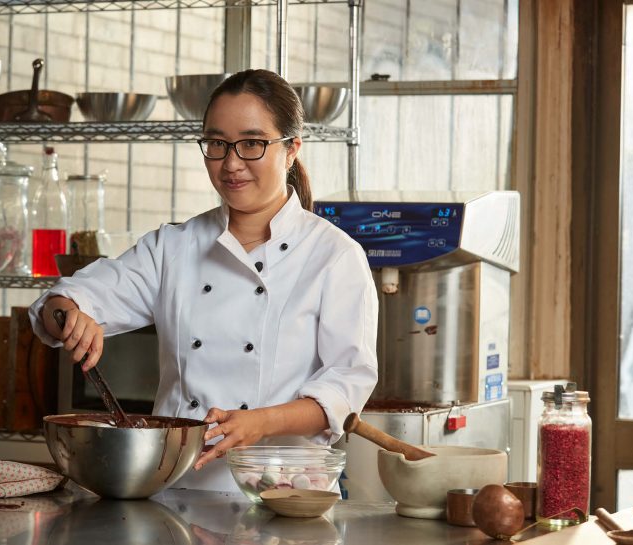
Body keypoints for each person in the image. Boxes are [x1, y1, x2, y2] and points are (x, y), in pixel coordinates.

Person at [28, 68, 377, 491]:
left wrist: (260, 423)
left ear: (291, 150)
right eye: (216, 143)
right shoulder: (175, 246)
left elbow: (345, 390)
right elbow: (64, 301)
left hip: (284, 494)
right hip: (173, 488)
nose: (231, 163)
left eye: (252, 143)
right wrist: (67, 314)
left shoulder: (333, 256)